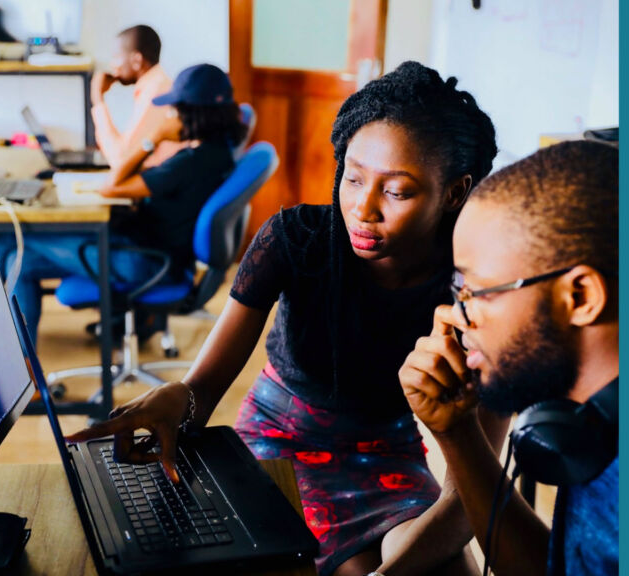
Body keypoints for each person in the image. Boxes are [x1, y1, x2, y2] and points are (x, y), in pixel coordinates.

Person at [68, 62, 505, 576]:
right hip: (279, 442)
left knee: (450, 569)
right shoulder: (295, 240)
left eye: (396, 191)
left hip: (387, 456)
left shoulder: (479, 291)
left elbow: (469, 497)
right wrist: (178, 399)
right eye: (353, 178)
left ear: (454, 192)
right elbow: (202, 389)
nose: (362, 208)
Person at [398, 140, 619, 576]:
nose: (453, 315)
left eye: (477, 291)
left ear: (580, 297)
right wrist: (457, 432)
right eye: (457, 289)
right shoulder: (588, 422)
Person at [2, 64, 246, 345]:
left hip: (143, 262)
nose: (170, 115)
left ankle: (12, 357)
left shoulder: (190, 163)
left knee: (10, 244)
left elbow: (112, 186)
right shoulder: (217, 154)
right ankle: (24, 362)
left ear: (192, 114)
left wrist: (152, 139)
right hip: (154, 254)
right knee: (18, 261)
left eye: (175, 109)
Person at [91, 24, 184, 176]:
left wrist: (97, 99)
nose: (112, 65)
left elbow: (120, 160)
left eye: (116, 57)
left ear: (137, 60)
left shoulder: (156, 93)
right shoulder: (155, 85)